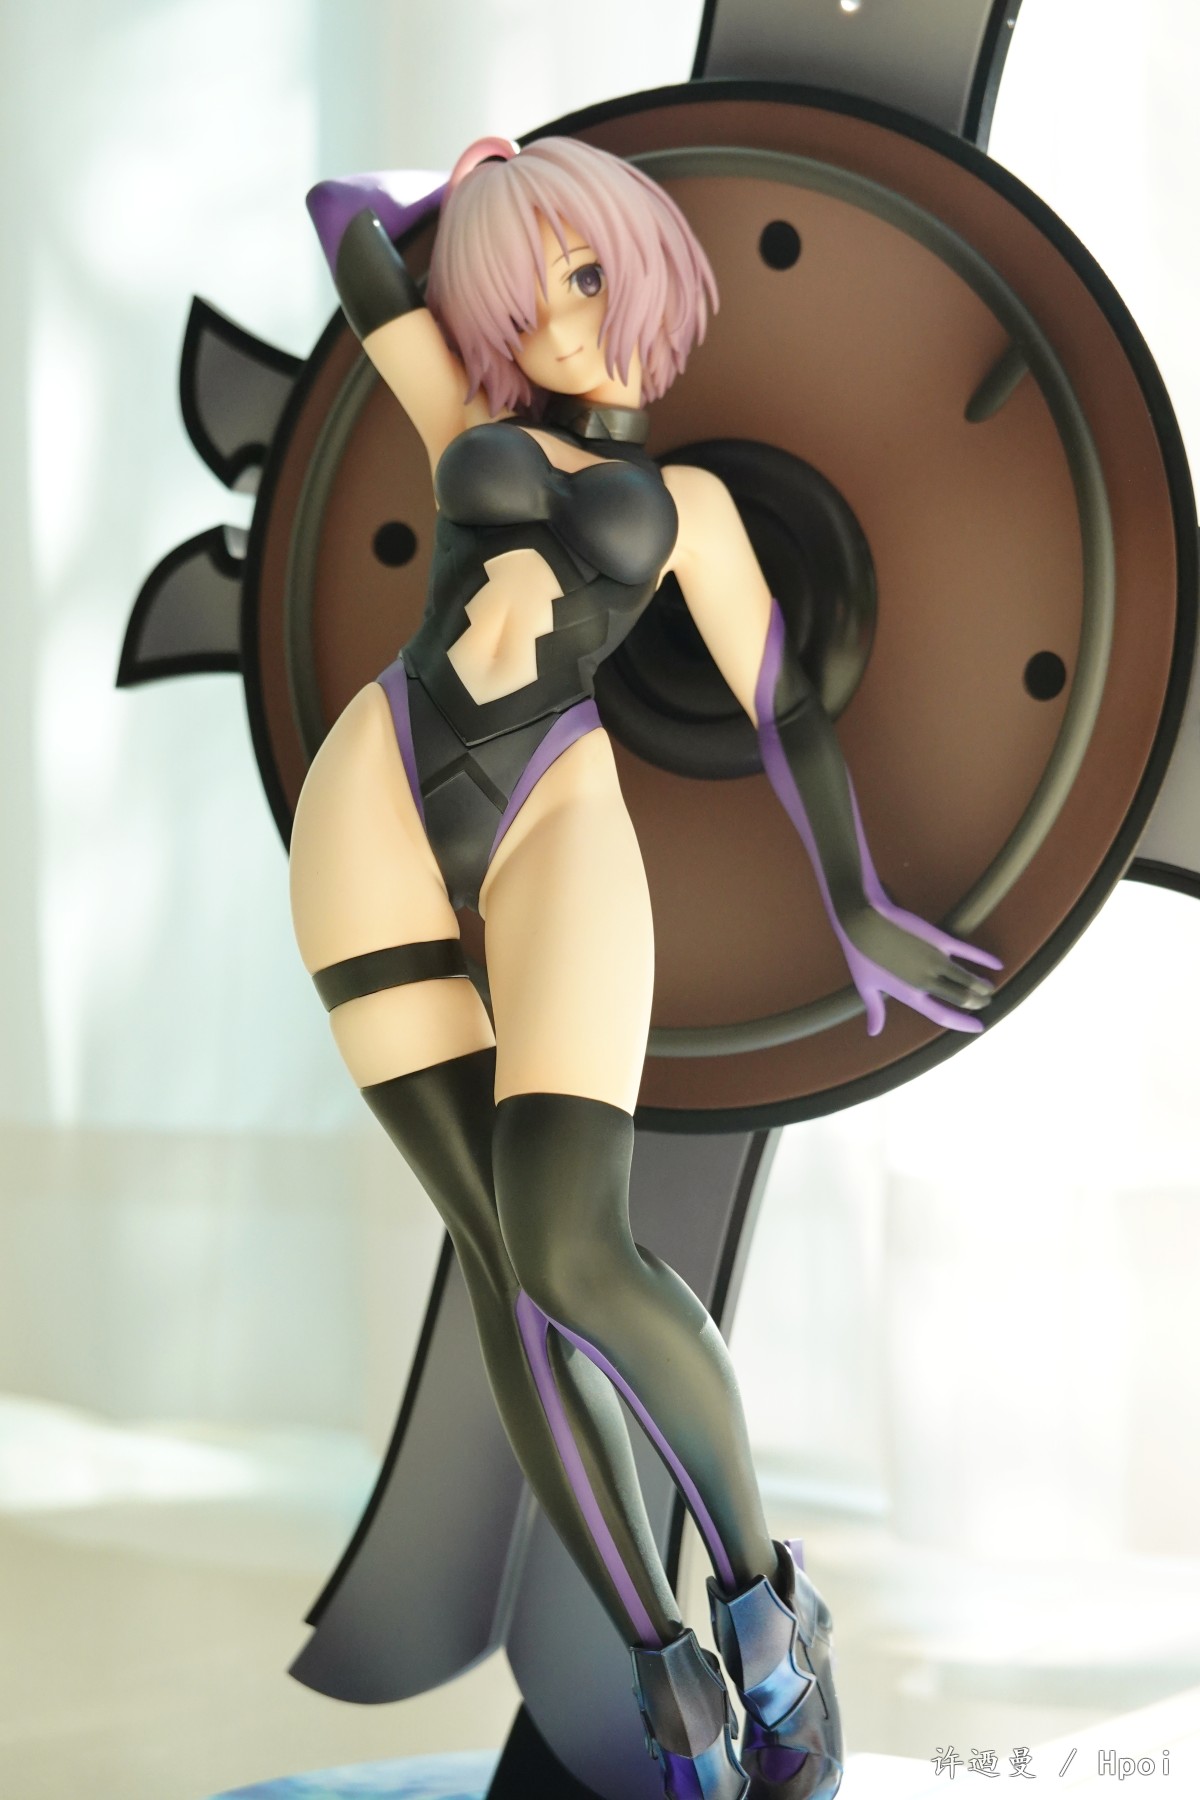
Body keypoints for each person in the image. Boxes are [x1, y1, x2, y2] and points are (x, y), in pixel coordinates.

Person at [292, 134, 999, 1800]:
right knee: (502, 1264)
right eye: (524, 287)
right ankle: (664, 1677)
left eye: (590, 269)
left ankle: (766, 1614)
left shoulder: (693, 510)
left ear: (654, 273)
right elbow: (344, 220)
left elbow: (779, 704)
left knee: (572, 1249)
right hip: (376, 797)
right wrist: (474, 183)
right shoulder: (463, 421)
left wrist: (856, 903)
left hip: (555, 807)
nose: (558, 313)